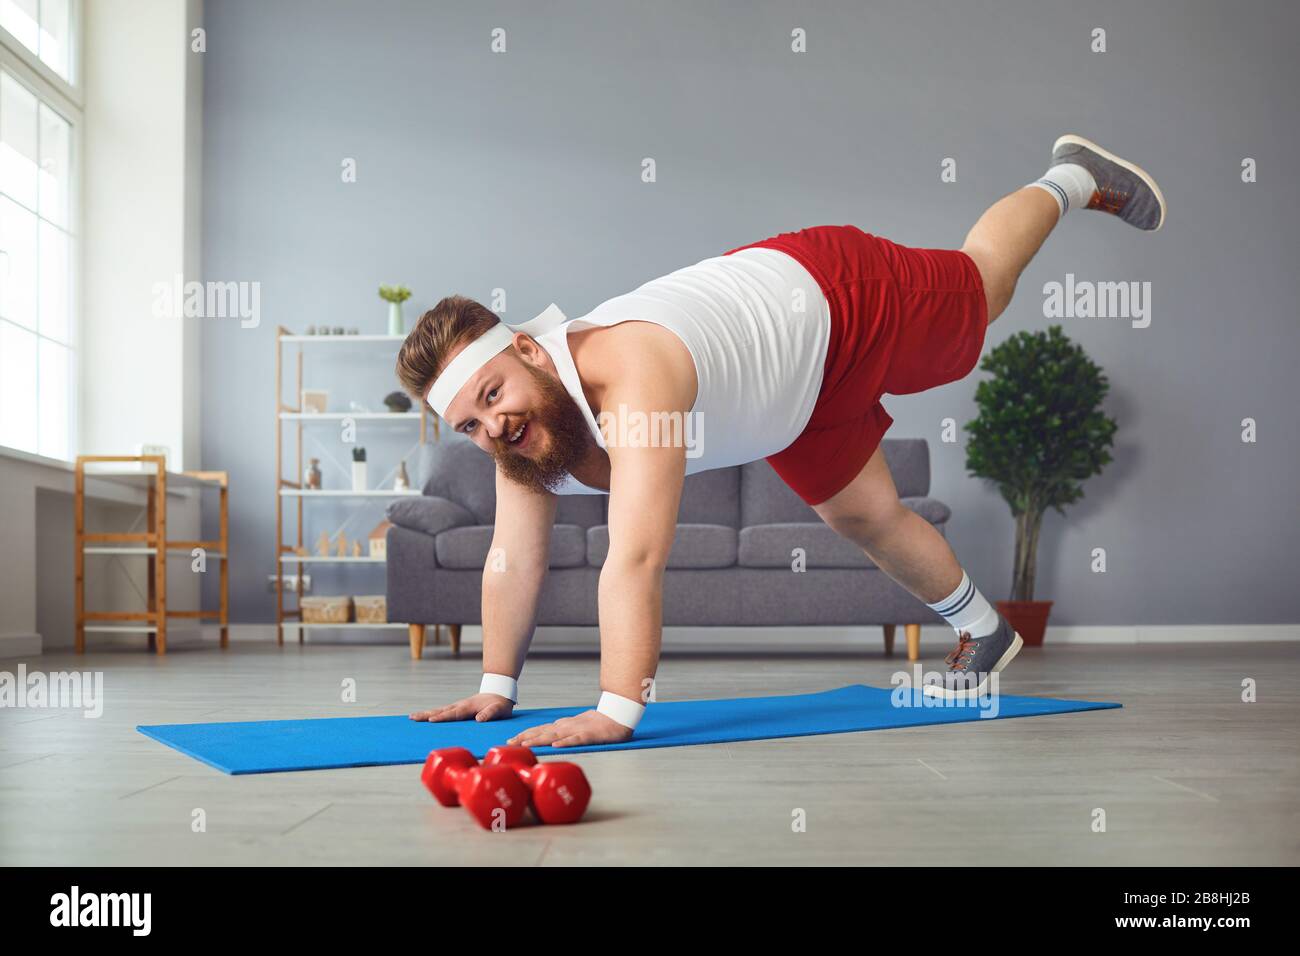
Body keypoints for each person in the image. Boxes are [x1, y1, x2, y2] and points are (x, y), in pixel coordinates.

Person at [397, 134, 1165, 747]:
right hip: (786, 399)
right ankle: (983, 631)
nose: (491, 427)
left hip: (833, 299)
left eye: (493, 395)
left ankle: (1070, 177)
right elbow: (513, 556)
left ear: (531, 350)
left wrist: (617, 709)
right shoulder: (520, 441)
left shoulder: (632, 370)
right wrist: (498, 689)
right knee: (862, 515)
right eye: (468, 424)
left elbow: (635, 555)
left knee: (983, 286)